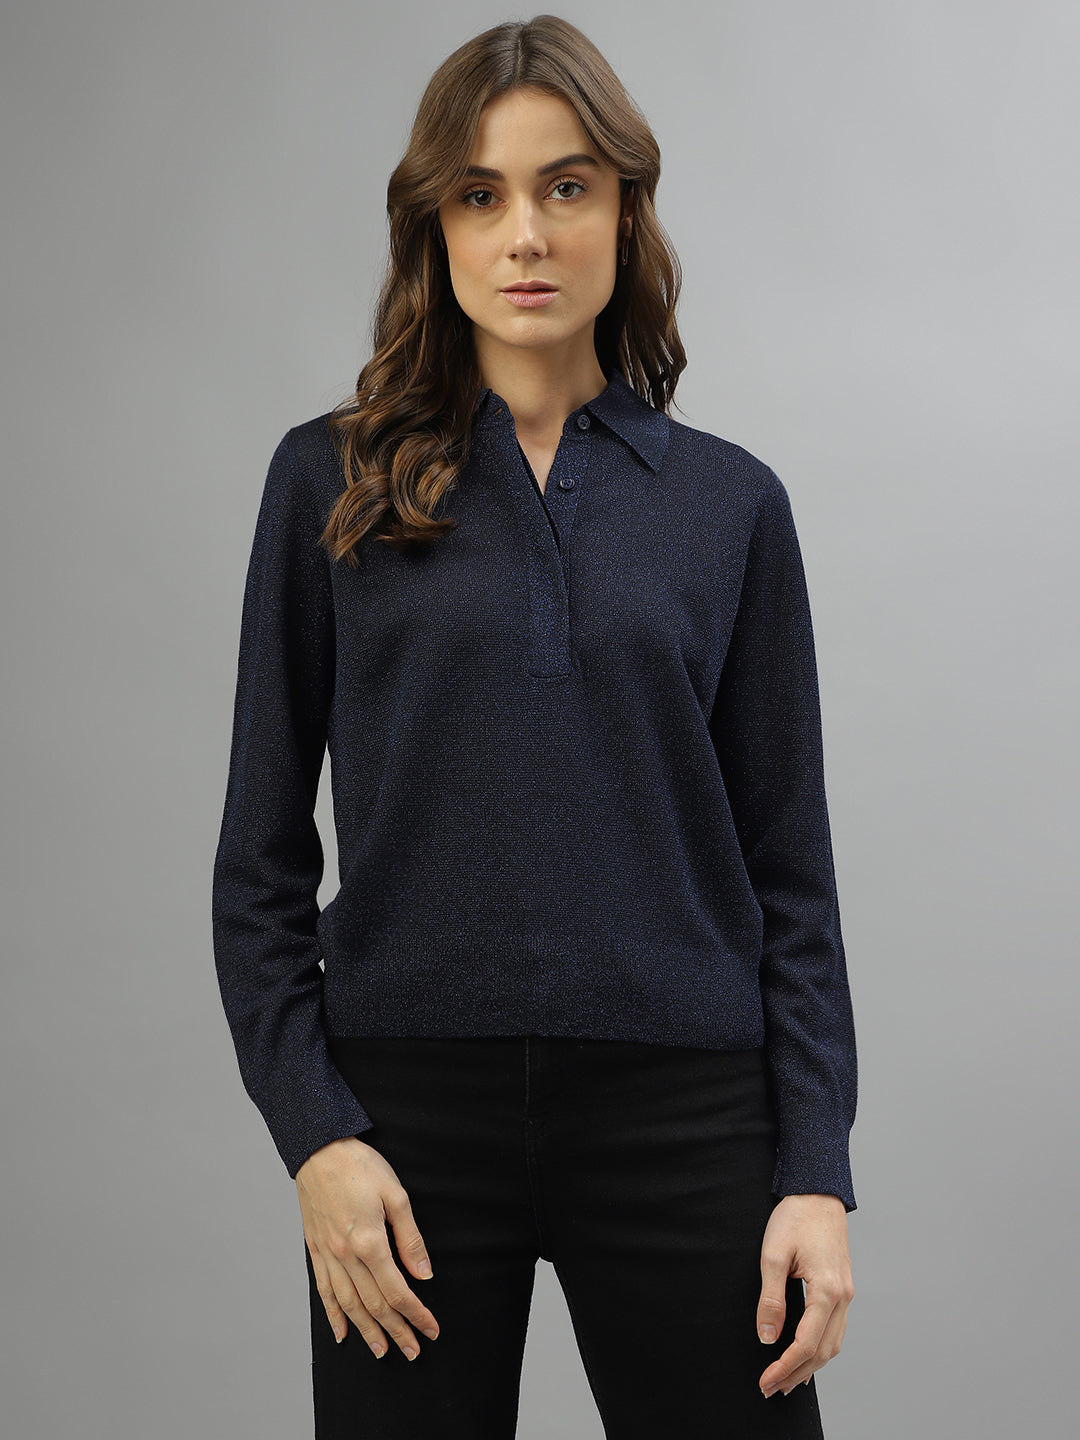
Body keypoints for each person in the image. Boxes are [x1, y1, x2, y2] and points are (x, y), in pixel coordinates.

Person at [211, 14, 858, 1438]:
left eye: (566, 186)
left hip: (689, 1116)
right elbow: (257, 862)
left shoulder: (730, 506)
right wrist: (315, 1134)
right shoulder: (327, 484)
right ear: (433, 228)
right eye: (479, 194)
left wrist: (816, 1167)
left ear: (625, 208)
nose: (525, 234)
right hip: (406, 1135)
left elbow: (792, 879)